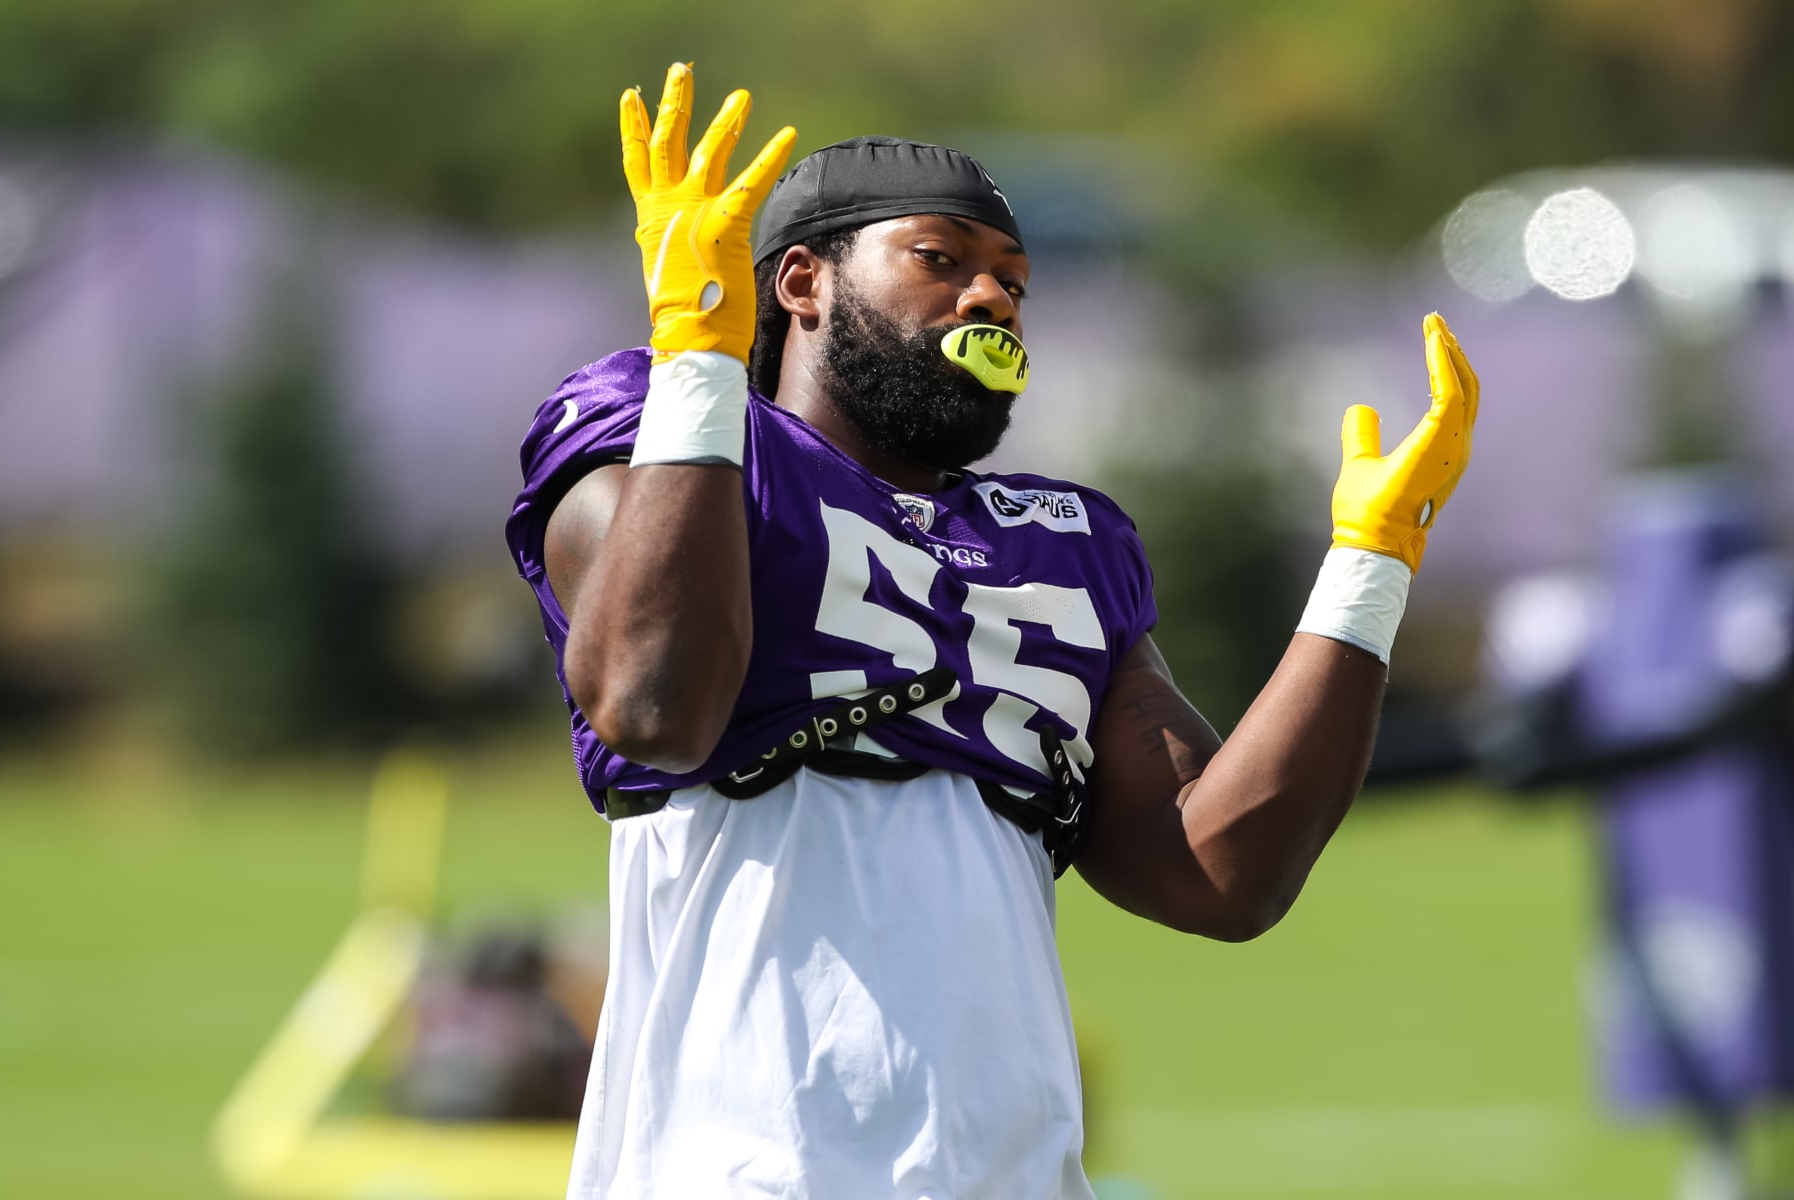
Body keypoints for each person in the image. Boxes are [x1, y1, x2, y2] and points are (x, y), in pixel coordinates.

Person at [505, 62, 1480, 1200]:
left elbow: (1224, 873)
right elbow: (652, 705)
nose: (992, 298)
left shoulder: (1058, 542)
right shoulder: (682, 442)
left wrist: (1371, 566)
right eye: (941, 261)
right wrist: (698, 364)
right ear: (803, 282)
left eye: (1014, 278)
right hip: (743, 1169)